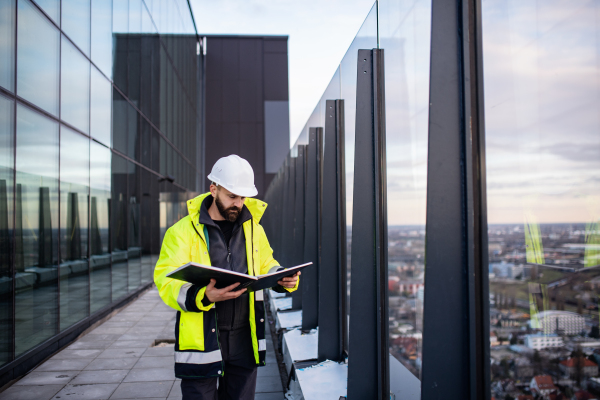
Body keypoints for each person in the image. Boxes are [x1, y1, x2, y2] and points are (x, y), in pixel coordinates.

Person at [154, 154, 300, 400]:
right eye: (232, 196)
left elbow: (267, 263)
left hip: (245, 337)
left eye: (243, 197)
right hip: (202, 340)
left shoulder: (254, 229)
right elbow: (166, 281)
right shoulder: (180, 232)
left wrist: (281, 278)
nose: (239, 203)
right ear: (214, 189)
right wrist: (203, 295)